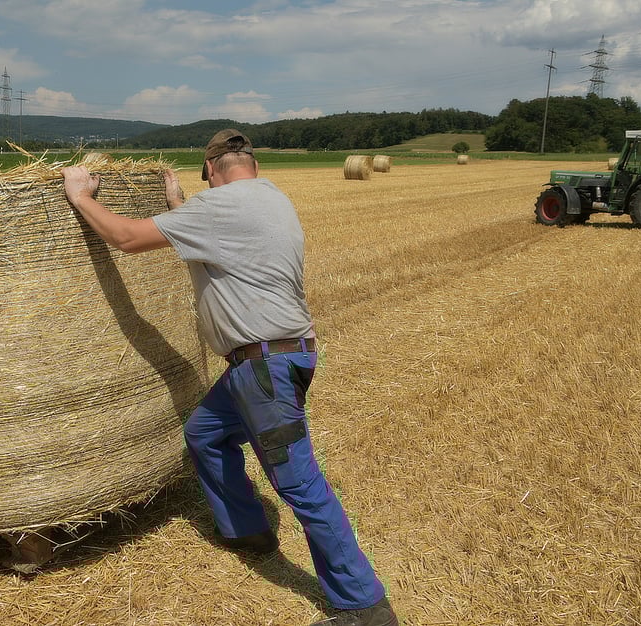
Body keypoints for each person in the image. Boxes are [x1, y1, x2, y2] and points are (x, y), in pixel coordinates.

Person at [62, 129, 398, 626]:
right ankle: (248, 530)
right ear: (251, 165)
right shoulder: (271, 199)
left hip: (264, 370)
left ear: (213, 171)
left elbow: (127, 238)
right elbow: (221, 241)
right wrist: (178, 204)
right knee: (205, 432)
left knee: (300, 484)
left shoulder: (221, 208)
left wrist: (80, 196)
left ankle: (364, 605)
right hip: (279, 360)